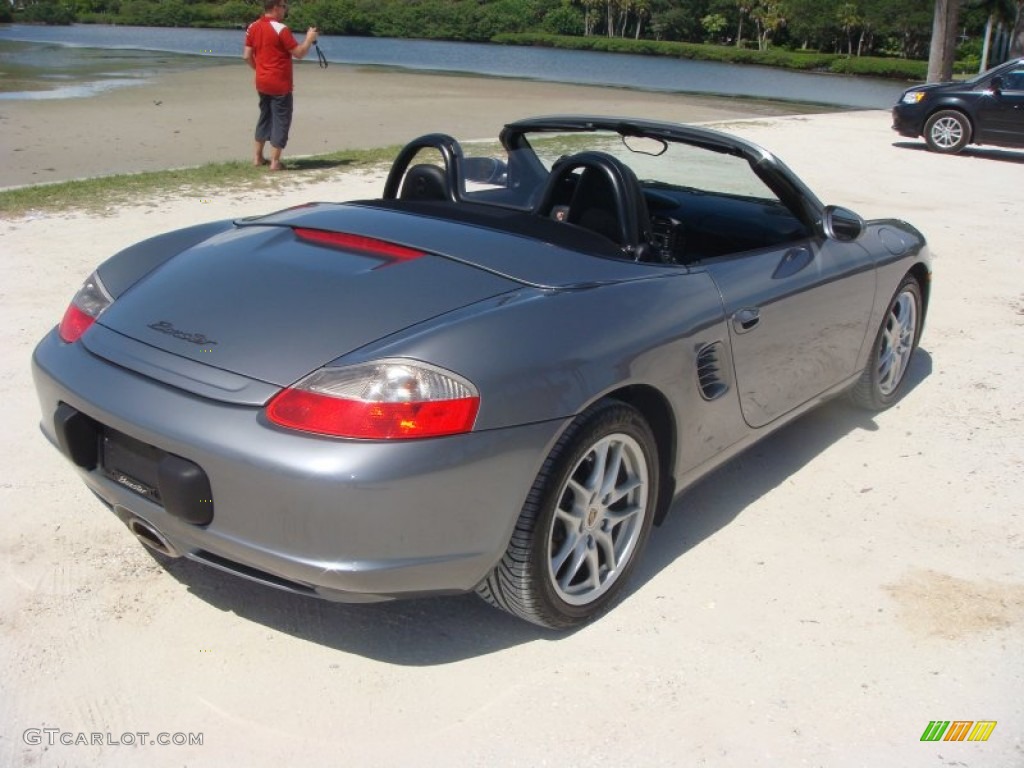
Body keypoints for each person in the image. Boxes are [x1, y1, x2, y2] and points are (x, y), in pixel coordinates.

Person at [243, 1, 318, 171]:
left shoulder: (252, 27)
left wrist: (259, 69)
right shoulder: (281, 29)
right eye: (284, 6)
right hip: (279, 83)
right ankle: (275, 161)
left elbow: (246, 55)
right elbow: (299, 53)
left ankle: (257, 157)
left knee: (265, 116)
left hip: (262, 81)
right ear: (276, 7)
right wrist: (308, 39)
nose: (285, 10)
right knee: (281, 120)